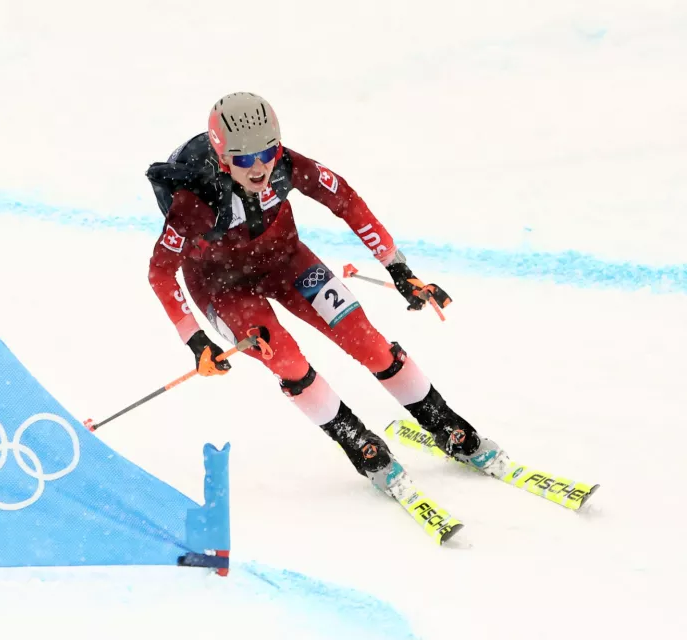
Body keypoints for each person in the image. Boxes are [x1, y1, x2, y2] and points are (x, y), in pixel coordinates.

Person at [144, 92, 506, 496]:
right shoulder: (195, 202)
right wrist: (195, 340)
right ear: (223, 156)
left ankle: (444, 423)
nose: (260, 167)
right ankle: (357, 442)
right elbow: (160, 271)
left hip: (286, 262)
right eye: (244, 159)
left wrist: (398, 267)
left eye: (267, 152)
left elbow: (345, 200)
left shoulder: (287, 165)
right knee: (286, 358)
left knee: (367, 339)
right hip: (223, 287)